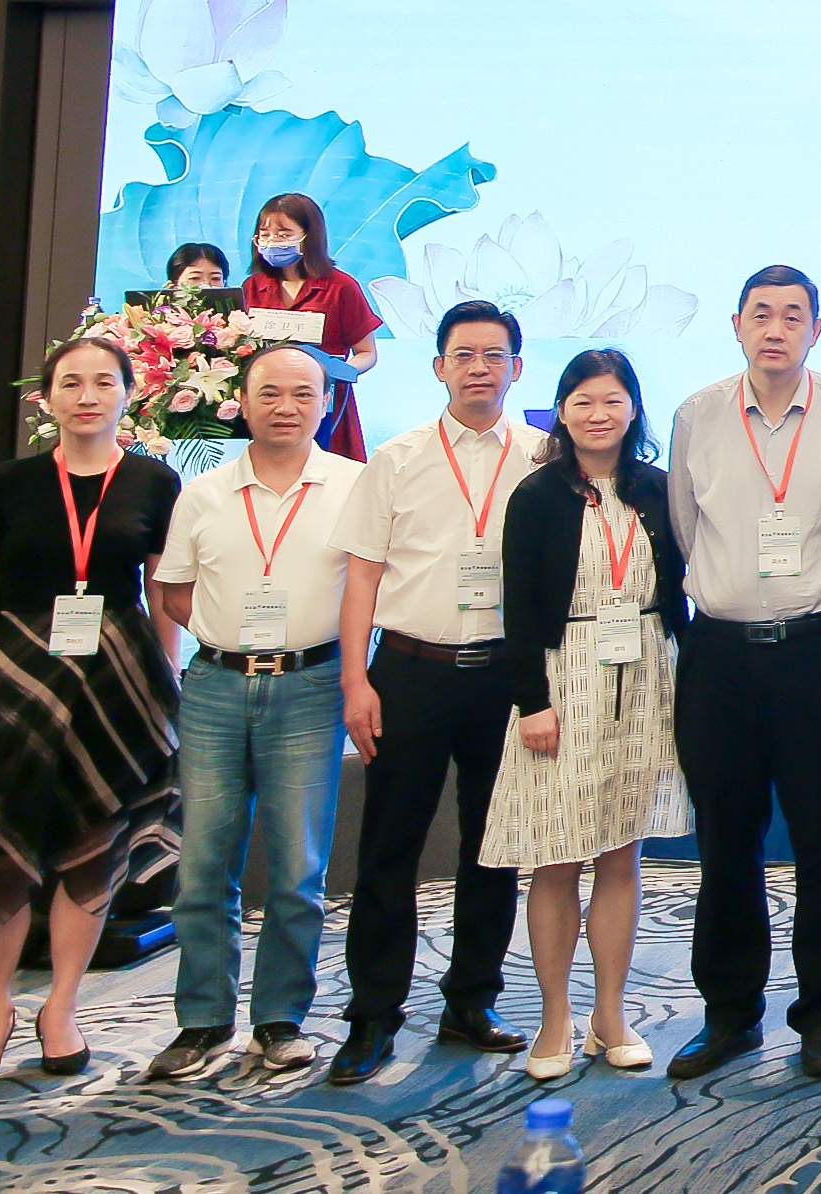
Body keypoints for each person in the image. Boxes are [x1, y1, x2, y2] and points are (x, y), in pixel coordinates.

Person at [0, 334, 182, 1092]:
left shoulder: (153, 481)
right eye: (71, 382)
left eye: (104, 382)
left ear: (128, 394)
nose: (87, 396)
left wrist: (166, 680)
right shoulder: (9, 482)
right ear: (48, 397)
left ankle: (62, 1007)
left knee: (93, 840)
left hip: (116, 679)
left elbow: (162, 592)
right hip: (14, 677)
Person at [664, 265, 821, 1081]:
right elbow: (686, 528)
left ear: (816, 330)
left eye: (793, 316)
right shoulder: (697, 415)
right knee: (726, 842)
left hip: (816, 650)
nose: (776, 329)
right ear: (737, 325)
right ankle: (730, 1014)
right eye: (761, 314)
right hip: (720, 655)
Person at [329, 299, 547, 1084]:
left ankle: (471, 1001)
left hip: (506, 676)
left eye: (493, 355)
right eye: (464, 355)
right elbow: (361, 576)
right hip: (410, 670)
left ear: (516, 367)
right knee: (389, 847)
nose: (479, 368)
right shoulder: (397, 458)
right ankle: (372, 1015)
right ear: (438, 367)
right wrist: (355, 680)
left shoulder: (543, 456)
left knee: (495, 848)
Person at [146, 344, 362, 1082]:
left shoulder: (354, 487)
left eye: (303, 393)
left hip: (311, 685)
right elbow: (175, 593)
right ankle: (202, 1020)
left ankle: (279, 1019)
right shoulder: (203, 492)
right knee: (204, 864)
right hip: (215, 685)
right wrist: (232, 637)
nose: (286, 407)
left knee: (299, 866)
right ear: (241, 401)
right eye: (269, 392)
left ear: (326, 404)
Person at [483, 349, 693, 1080]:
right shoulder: (537, 494)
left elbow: (680, 591)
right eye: (583, 402)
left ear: (633, 408)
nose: (598, 415)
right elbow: (516, 608)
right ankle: (554, 1018)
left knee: (620, 853)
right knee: (555, 856)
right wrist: (531, 703)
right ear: (562, 411)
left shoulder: (657, 489)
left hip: (645, 673)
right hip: (563, 675)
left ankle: (610, 1013)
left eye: (612, 401)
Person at [238, 192, 382, 461]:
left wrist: (338, 373)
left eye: (283, 234)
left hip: (326, 402)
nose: (272, 241)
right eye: (265, 234)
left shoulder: (341, 287)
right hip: (270, 404)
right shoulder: (252, 287)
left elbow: (367, 353)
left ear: (309, 236)